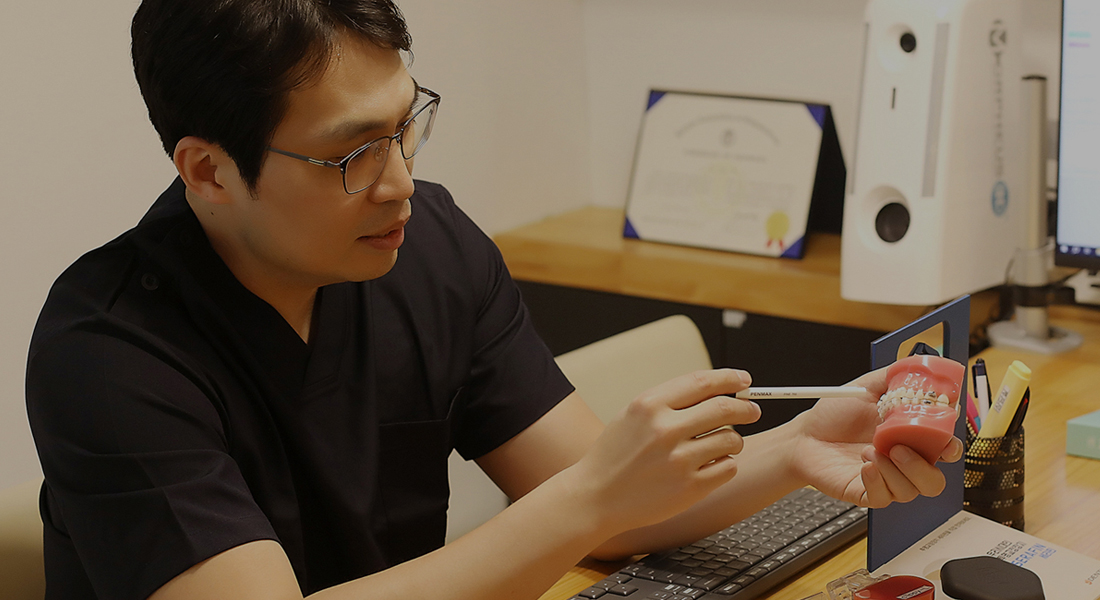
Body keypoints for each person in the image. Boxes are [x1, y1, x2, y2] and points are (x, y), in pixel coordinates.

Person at [24, 1, 963, 599]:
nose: (400, 181)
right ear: (208, 171)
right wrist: (590, 499)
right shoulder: (107, 352)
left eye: (407, 127)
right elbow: (589, 501)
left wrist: (798, 448)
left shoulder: (425, 245)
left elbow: (617, 511)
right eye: (353, 154)